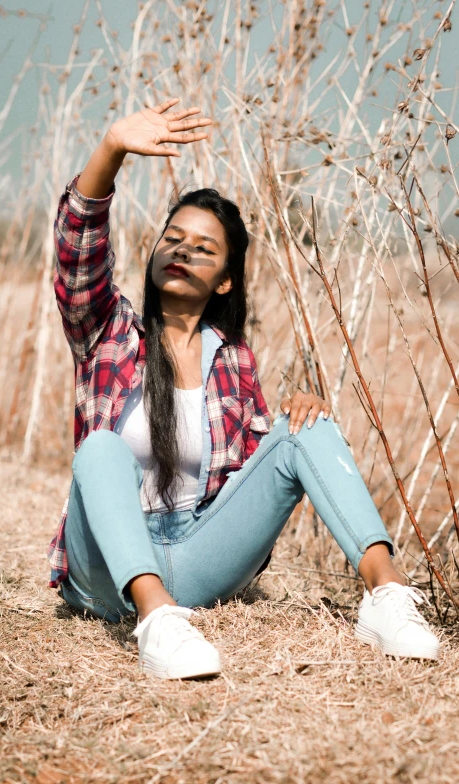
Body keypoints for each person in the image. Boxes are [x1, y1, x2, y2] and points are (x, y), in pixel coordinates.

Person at [48, 97, 439, 680]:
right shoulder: (106, 330)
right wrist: (112, 149)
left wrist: (294, 424)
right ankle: (156, 623)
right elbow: (77, 247)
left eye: (203, 248)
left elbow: (253, 480)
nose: (182, 249)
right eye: (172, 239)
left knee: (310, 426)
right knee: (100, 448)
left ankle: (387, 597)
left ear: (226, 279)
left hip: (198, 556)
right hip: (106, 570)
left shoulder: (233, 360)